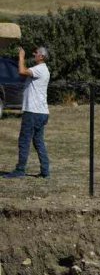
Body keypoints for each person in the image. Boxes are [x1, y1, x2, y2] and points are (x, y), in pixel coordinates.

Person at [4, 47, 50, 179]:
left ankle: (20, 170)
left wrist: (21, 56)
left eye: (36, 53)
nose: (34, 54)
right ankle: (45, 171)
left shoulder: (40, 69)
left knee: (24, 140)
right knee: (38, 141)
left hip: (33, 112)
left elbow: (22, 71)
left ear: (41, 57)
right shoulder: (43, 69)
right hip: (41, 112)